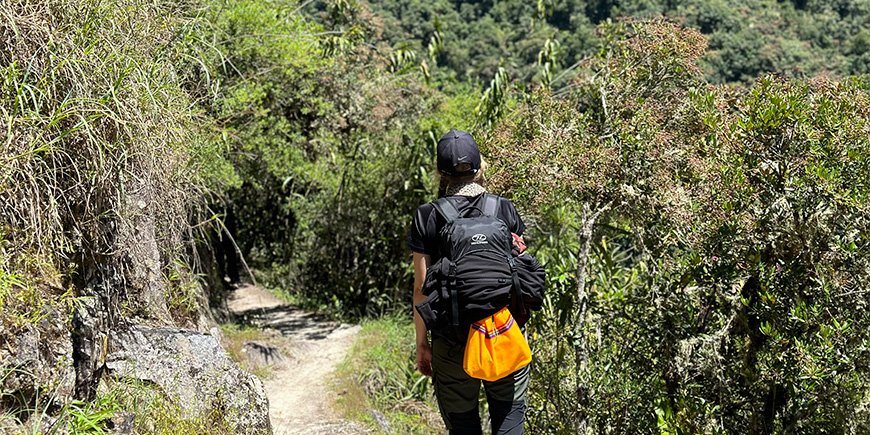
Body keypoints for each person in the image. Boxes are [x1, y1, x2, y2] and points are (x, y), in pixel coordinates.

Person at [408, 130, 529, 435]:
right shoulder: (504, 209)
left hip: (453, 341)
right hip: (504, 332)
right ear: (479, 168)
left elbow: (421, 289)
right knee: (509, 421)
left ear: (440, 172)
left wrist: (422, 344)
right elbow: (518, 273)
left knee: (463, 427)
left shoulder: (427, 216)